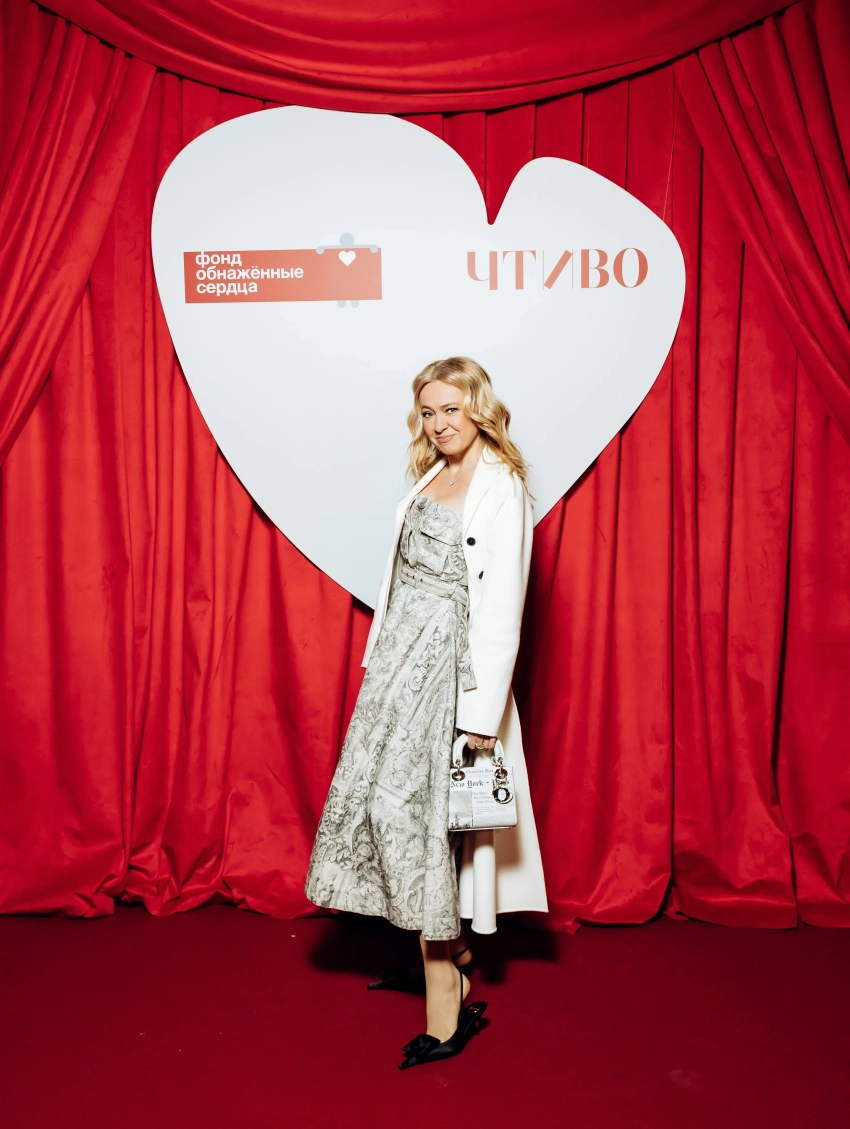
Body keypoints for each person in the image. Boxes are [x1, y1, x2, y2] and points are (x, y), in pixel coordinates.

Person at [305, 356, 547, 1068]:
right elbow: (401, 576)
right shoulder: (431, 473)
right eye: (429, 411)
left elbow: (502, 605)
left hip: (448, 672)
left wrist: (482, 716)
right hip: (398, 665)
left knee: (417, 819)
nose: (440, 423)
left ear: (478, 407)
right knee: (382, 807)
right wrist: (381, 658)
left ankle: (448, 994)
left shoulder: (502, 485)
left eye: (451, 408)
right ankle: (447, 953)